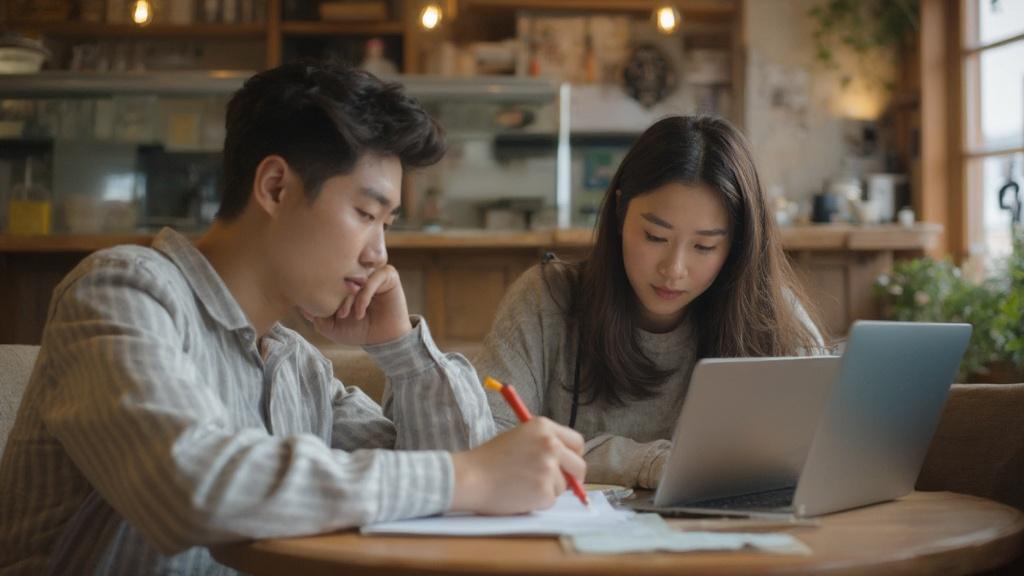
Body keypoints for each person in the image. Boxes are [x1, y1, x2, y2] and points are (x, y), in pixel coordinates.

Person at [0, 62, 585, 575]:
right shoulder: (122, 292)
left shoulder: (295, 364)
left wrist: (401, 350)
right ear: (276, 187)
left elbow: (433, 482)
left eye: (387, 225)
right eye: (366, 213)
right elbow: (190, 485)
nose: (379, 254)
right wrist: (469, 478)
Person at [475, 115, 826, 491]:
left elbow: (824, 442)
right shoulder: (546, 299)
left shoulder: (769, 312)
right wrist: (649, 463)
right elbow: (482, 440)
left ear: (737, 246)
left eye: (704, 246)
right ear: (620, 212)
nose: (674, 269)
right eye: (655, 236)